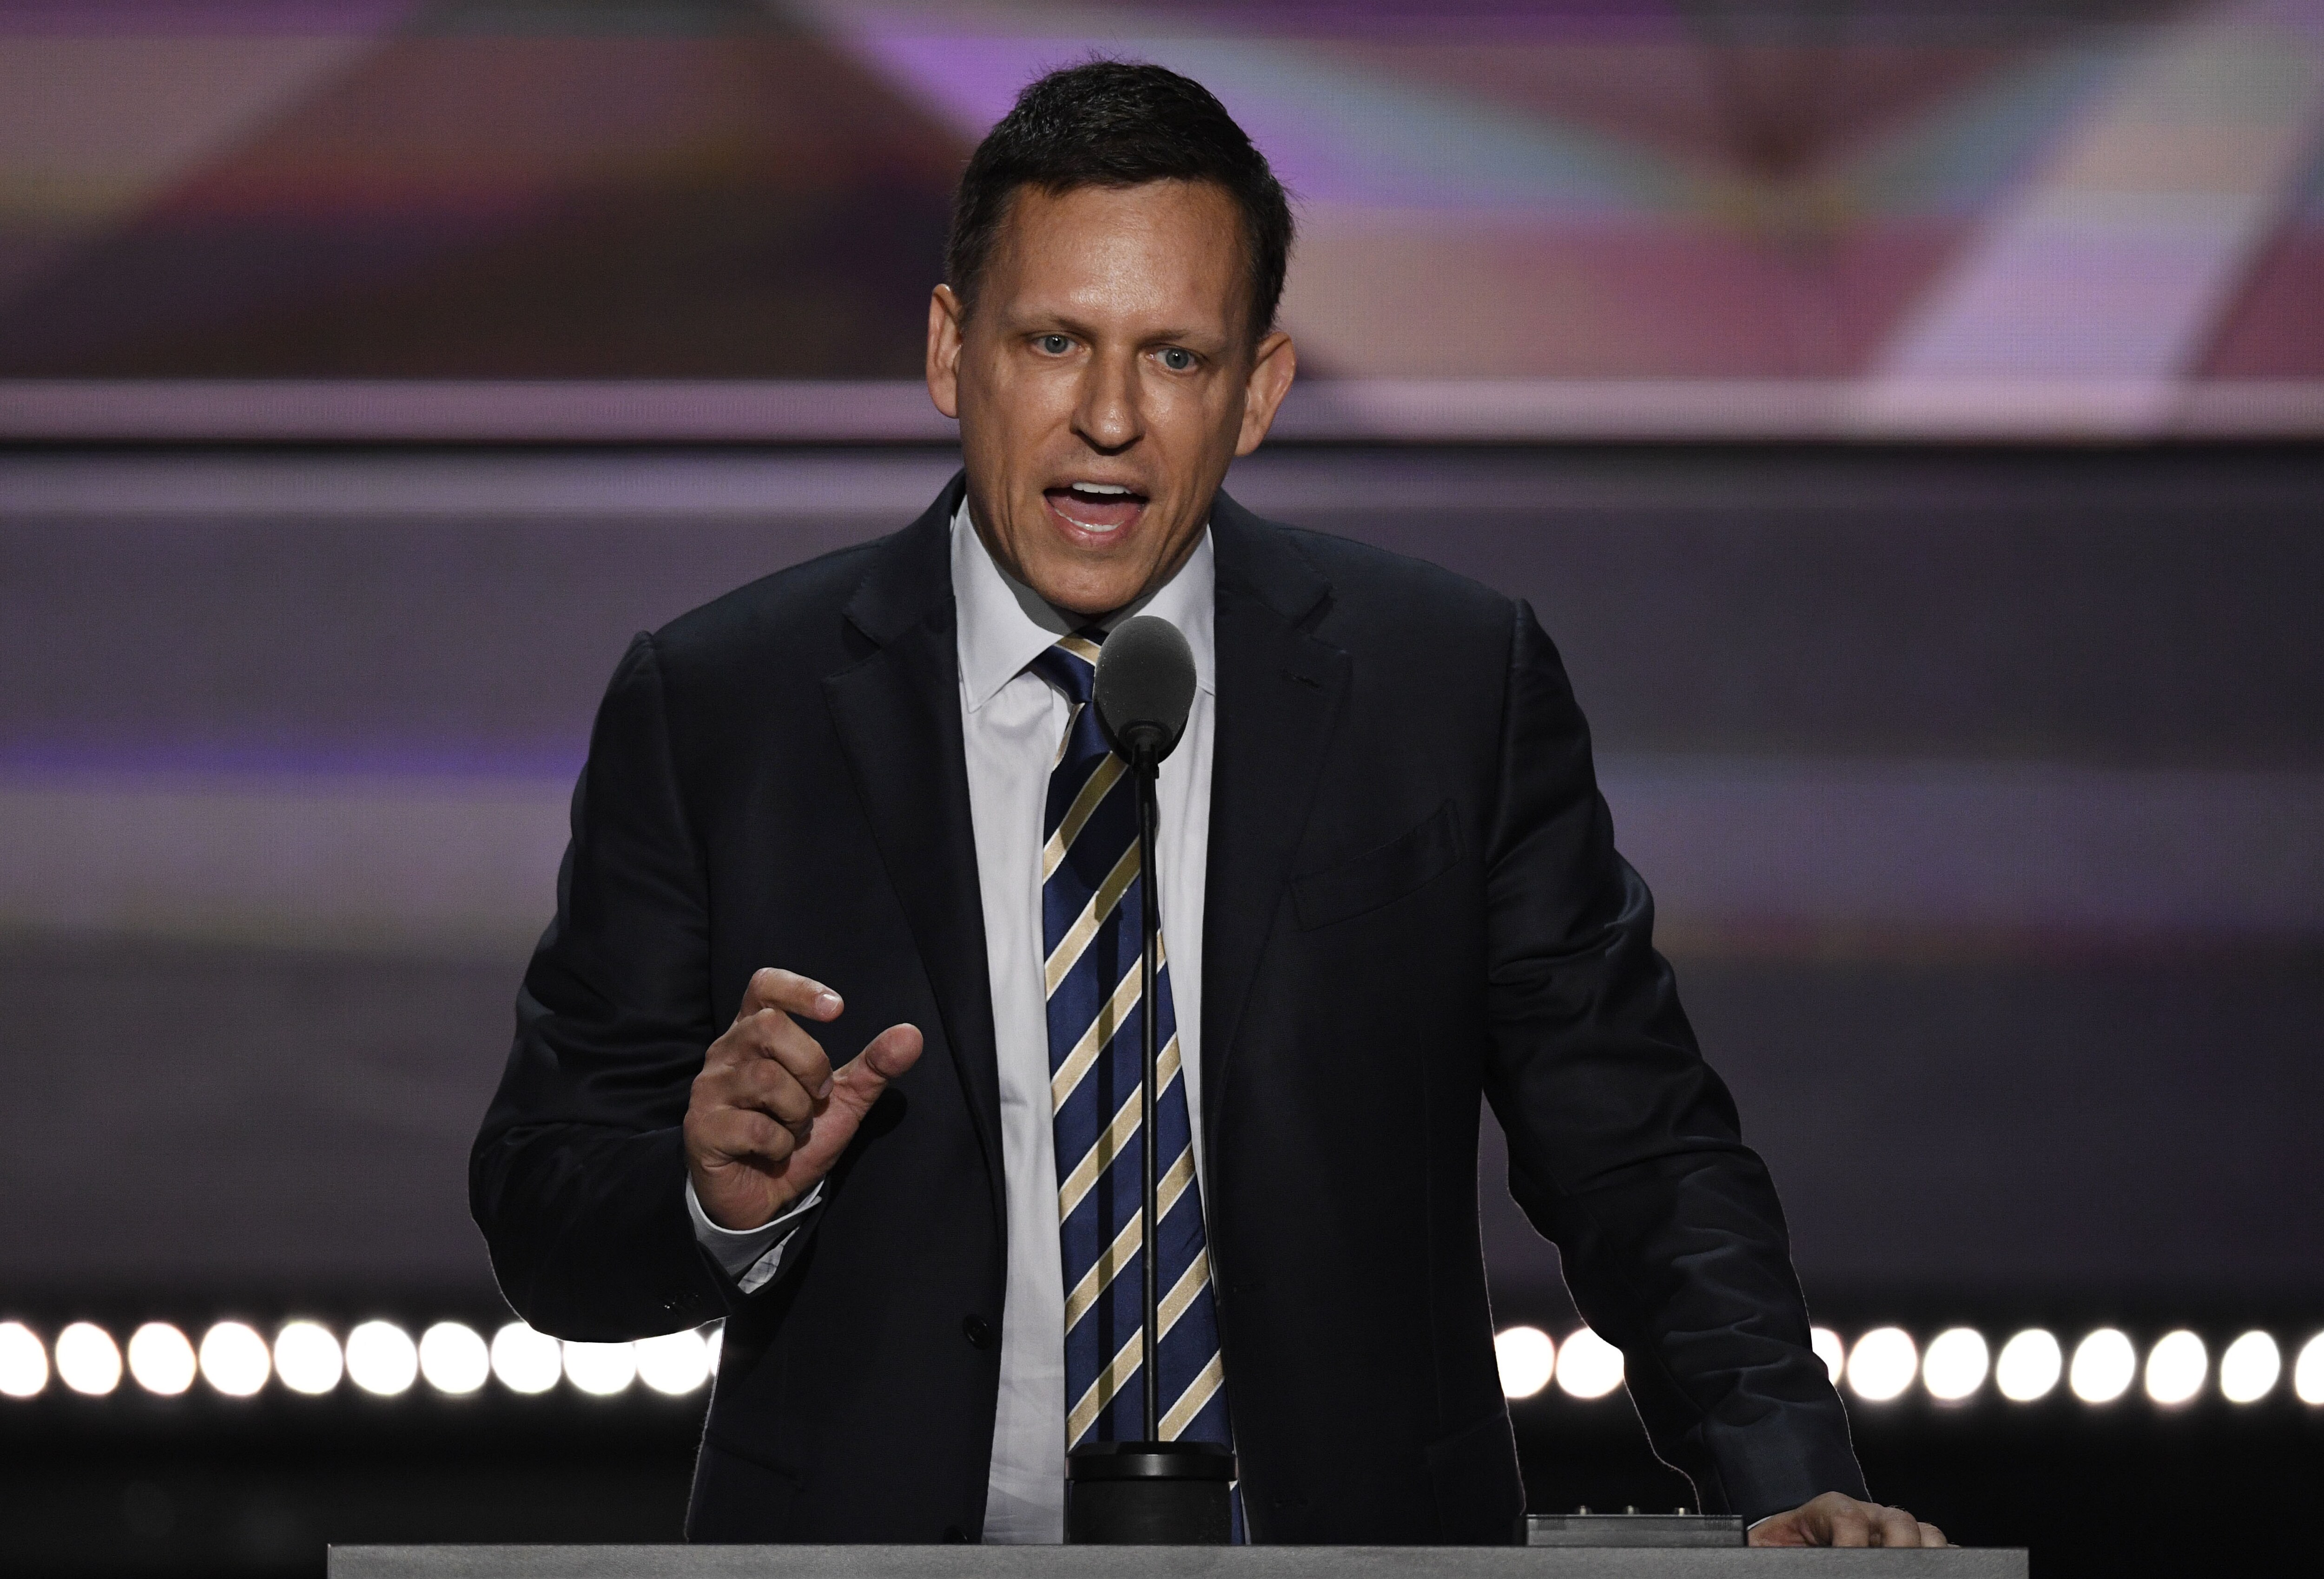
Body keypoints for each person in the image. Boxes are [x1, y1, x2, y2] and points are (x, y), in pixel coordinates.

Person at [471, 60, 1942, 1549]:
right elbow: (547, 1210)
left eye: (1175, 357)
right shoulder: (730, 705)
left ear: (1259, 392)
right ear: (949, 349)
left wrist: (1784, 1470)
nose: (1109, 417)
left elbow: (1634, 1142)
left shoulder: (1444, 688)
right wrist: (710, 1194)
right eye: (1055, 341)